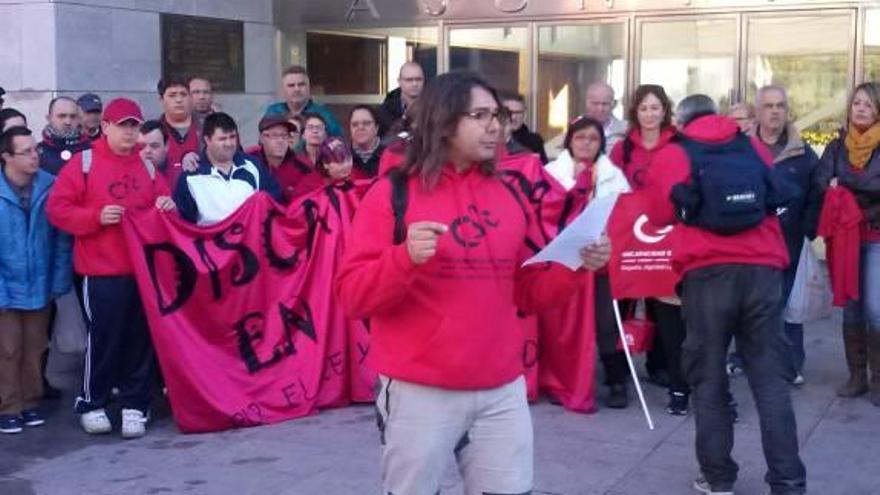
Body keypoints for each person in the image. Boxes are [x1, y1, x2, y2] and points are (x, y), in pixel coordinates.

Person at [336, 71, 611, 495]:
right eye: (480, 115)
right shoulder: (392, 195)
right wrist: (403, 258)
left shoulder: (509, 194)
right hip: (418, 391)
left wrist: (576, 265)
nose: (495, 126)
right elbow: (352, 296)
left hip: (502, 389)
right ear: (444, 122)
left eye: (497, 115)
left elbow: (525, 293)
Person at [644, 94, 806, 495]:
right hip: (763, 270)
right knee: (770, 381)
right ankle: (788, 481)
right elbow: (777, 192)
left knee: (709, 379)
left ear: (680, 122)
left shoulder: (675, 152)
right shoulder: (747, 143)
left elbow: (658, 213)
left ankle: (719, 479)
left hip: (707, 276)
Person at [47, 98, 176, 439]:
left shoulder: (147, 167)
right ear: (106, 127)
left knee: (140, 339)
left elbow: (165, 207)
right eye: (124, 125)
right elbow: (58, 210)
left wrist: (167, 204)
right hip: (101, 272)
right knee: (104, 339)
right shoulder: (83, 164)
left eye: (135, 125)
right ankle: (92, 402)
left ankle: (136, 404)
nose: (130, 132)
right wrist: (94, 218)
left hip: (143, 272)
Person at [609, 84, 689, 415]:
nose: (650, 114)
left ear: (664, 110)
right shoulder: (623, 149)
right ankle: (619, 373)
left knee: (666, 309)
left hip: (667, 238)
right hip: (629, 239)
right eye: (644, 108)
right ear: (635, 112)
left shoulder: (681, 145)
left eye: (656, 108)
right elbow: (610, 187)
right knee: (625, 303)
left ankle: (666, 371)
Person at [546, 116, 632, 408]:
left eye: (593, 138)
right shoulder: (550, 172)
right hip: (564, 260)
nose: (586, 143)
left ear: (601, 143)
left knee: (607, 321)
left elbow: (625, 214)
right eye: (580, 137)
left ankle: (616, 380)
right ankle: (560, 381)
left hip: (601, 257)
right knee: (563, 324)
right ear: (569, 140)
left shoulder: (614, 175)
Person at [0, 126, 72, 434]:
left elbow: (61, 240)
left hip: (40, 285)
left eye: (35, 150)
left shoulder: (50, 186)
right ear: (6, 157)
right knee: (7, 349)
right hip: (6, 285)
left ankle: (30, 403)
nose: (34, 156)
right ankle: (8, 407)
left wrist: (58, 279)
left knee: (35, 348)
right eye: (26, 152)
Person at [814, 82, 880, 406]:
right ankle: (856, 377)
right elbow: (821, 180)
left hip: (876, 236)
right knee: (851, 306)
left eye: (868, 104)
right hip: (845, 238)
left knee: (876, 309)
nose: (861, 109)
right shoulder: (837, 146)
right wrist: (854, 191)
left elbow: (850, 186)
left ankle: (878, 378)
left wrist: (849, 194)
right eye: (856, 103)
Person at [754, 85, 822, 386]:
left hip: (789, 242)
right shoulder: (741, 148)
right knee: (754, 306)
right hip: (751, 244)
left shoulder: (803, 153)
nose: (775, 111)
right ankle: (751, 358)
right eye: (768, 106)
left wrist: (807, 229)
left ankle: (791, 364)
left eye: (780, 105)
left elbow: (817, 193)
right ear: (758, 111)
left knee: (789, 306)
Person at [174, 112, 281, 225]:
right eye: (222, 139)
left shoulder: (253, 165)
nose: (229, 143)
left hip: (249, 240)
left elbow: (274, 201)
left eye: (232, 137)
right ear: (207, 140)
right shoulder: (190, 176)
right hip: (209, 240)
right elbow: (183, 225)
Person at [246, 114, 322, 203]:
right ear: (262, 138)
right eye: (275, 136)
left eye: (284, 136)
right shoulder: (249, 161)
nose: (280, 141)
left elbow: (316, 198)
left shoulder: (303, 166)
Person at [265, 65, 342, 137]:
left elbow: (338, 144)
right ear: (283, 90)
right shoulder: (274, 112)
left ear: (309, 88)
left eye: (301, 84)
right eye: (291, 85)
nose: (297, 89)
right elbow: (263, 143)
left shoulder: (324, 115)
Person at [157, 77, 201, 187]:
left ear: (191, 98)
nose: (179, 100)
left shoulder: (208, 130)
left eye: (183, 94)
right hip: (165, 199)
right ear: (161, 100)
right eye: (172, 95)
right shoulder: (152, 134)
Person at [37, 97, 90, 176]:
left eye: (73, 116)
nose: (68, 122)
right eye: (61, 116)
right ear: (49, 118)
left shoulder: (90, 150)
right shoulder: (37, 152)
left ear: (79, 119)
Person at [377, 62, 425, 137]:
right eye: (409, 80)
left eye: (418, 79)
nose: (415, 84)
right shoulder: (386, 109)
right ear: (399, 82)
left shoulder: (433, 105)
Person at [500, 91, 548, 163]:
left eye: (517, 112)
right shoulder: (491, 140)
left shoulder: (535, 142)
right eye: (509, 113)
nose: (513, 117)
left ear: (524, 114)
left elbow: (542, 169)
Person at [585, 81, 627, 153]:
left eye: (605, 104)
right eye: (595, 103)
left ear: (613, 104)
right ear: (587, 103)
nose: (600, 109)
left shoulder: (626, 130)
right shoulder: (576, 130)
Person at [348, 105, 385, 179]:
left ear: (376, 128)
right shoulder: (342, 157)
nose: (360, 127)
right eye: (355, 124)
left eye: (366, 123)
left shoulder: (390, 155)